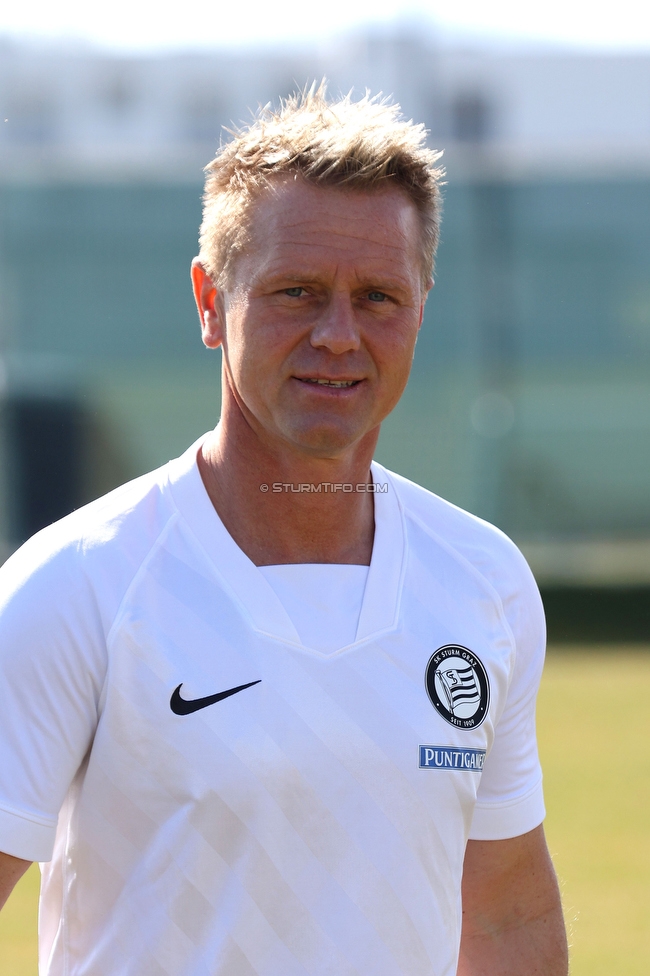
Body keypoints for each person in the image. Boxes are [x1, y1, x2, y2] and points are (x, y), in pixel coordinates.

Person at [0, 87, 568, 976]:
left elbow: (504, 919)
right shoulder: (77, 584)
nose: (339, 336)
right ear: (208, 300)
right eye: (296, 292)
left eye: (377, 296)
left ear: (420, 307)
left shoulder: (483, 578)